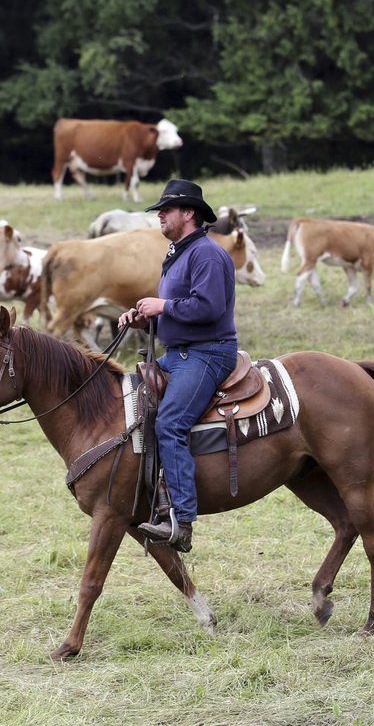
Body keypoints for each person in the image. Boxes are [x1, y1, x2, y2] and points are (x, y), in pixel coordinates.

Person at [118, 179, 238, 552]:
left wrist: (163, 307)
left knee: (170, 423)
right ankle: (154, 496)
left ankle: (181, 519)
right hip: (181, 351)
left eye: (166, 210)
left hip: (207, 353)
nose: (160, 216)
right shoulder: (177, 253)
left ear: (189, 213)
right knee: (132, 404)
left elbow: (209, 307)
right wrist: (145, 318)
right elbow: (180, 309)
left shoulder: (206, 254)